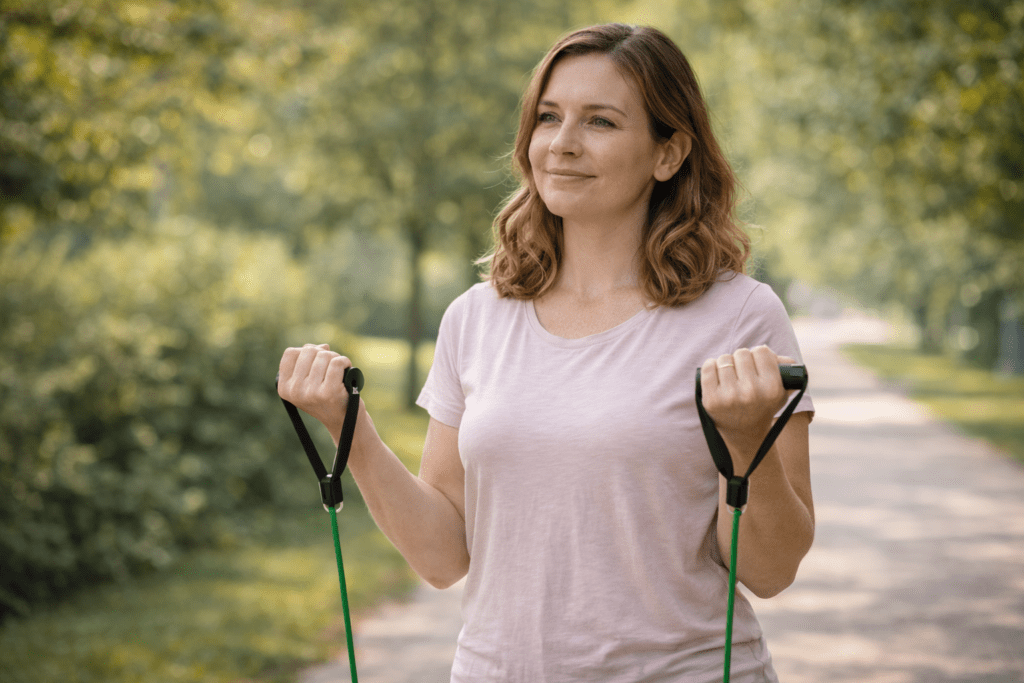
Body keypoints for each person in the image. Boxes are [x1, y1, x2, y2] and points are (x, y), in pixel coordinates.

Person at [277, 23, 814, 683]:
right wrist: (348, 428)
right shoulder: (476, 317)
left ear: (668, 153)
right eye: (548, 117)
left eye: (601, 122)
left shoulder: (739, 315)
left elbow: (771, 569)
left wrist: (746, 440)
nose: (562, 144)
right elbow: (444, 554)